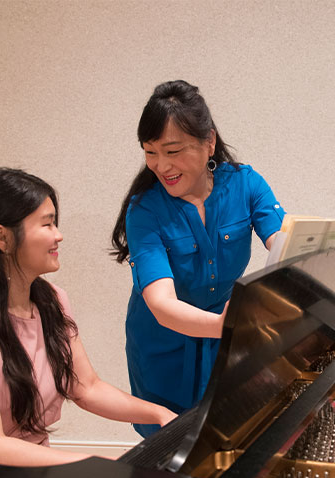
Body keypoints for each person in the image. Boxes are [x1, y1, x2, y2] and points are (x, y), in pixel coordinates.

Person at [0, 168, 175, 478]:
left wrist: (159, 415)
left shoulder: (52, 301)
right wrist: (97, 463)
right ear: (2, 238)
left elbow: (86, 387)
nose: (58, 235)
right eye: (47, 224)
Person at [111, 80, 286, 438]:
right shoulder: (144, 209)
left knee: (222, 437)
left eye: (173, 151)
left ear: (209, 142)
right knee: (166, 446)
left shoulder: (245, 185)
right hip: (162, 342)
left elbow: (284, 245)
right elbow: (161, 304)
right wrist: (230, 325)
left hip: (221, 340)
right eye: (150, 152)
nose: (161, 166)